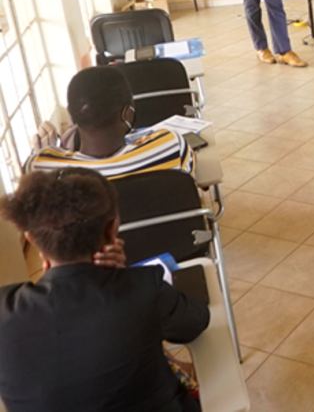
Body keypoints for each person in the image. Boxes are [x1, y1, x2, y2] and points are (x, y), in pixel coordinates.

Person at [0, 168, 210, 412]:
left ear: (31, 239)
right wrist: (120, 277)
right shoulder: (143, 289)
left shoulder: (5, 310)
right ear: (113, 228)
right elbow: (196, 322)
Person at [26, 66, 195, 180]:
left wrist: (44, 152)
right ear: (127, 114)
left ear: (71, 115)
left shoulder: (41, 166)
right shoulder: (171, 145)